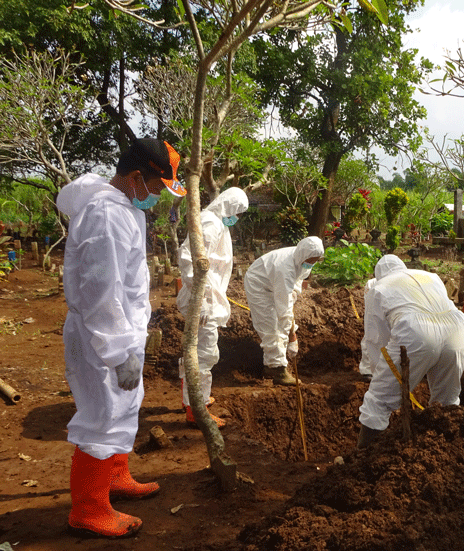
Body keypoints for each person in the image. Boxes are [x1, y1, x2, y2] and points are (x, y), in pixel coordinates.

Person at [57, 138, 186, 537]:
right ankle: (89, 509)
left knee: (125, 407)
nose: (156, 197)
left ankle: (115, 477)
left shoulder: (125, 208)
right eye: (154, 187)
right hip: (101, 336)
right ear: (134, 177)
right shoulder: (105, 217)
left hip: (122, 331)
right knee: (102, 416)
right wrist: (116, 350)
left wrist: (131, 341)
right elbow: (101, 290)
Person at [357, 255, 464, 448]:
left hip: (415, 331)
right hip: (456, 328)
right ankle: (449, 451)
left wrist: (381, 375)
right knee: (447, 400)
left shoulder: (378, 288)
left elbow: (376, 339)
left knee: (378, 401)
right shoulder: (430, 276)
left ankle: (361, 459)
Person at [177, 187, 249, 428]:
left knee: (195, 351)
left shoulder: (217, 222)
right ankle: (197, 410)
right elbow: (192, 258)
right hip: (203, 301)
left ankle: (192, 399)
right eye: (238, 211)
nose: (237, 217)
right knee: (205, 354)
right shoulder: (211, 222)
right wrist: (204, 300)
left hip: (205, 296)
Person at [243, 236, 324, 385]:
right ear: (304, 255)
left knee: (280, 323)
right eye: (311, 260)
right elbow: (284, 308)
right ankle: (279, 370)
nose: (312, 263)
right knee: (270, 324)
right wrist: (292, 336)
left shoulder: (303, 259)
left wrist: (294, 290)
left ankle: (270, 366)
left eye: (315, 260)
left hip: (275, 281)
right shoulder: (284, 267)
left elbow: (299, 277)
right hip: (259, 284)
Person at [357, 255, 406, 382]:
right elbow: (372, 328)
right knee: (373, 334)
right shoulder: (373, 286)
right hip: (379, 311)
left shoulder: (405, 284)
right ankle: (369, 369)